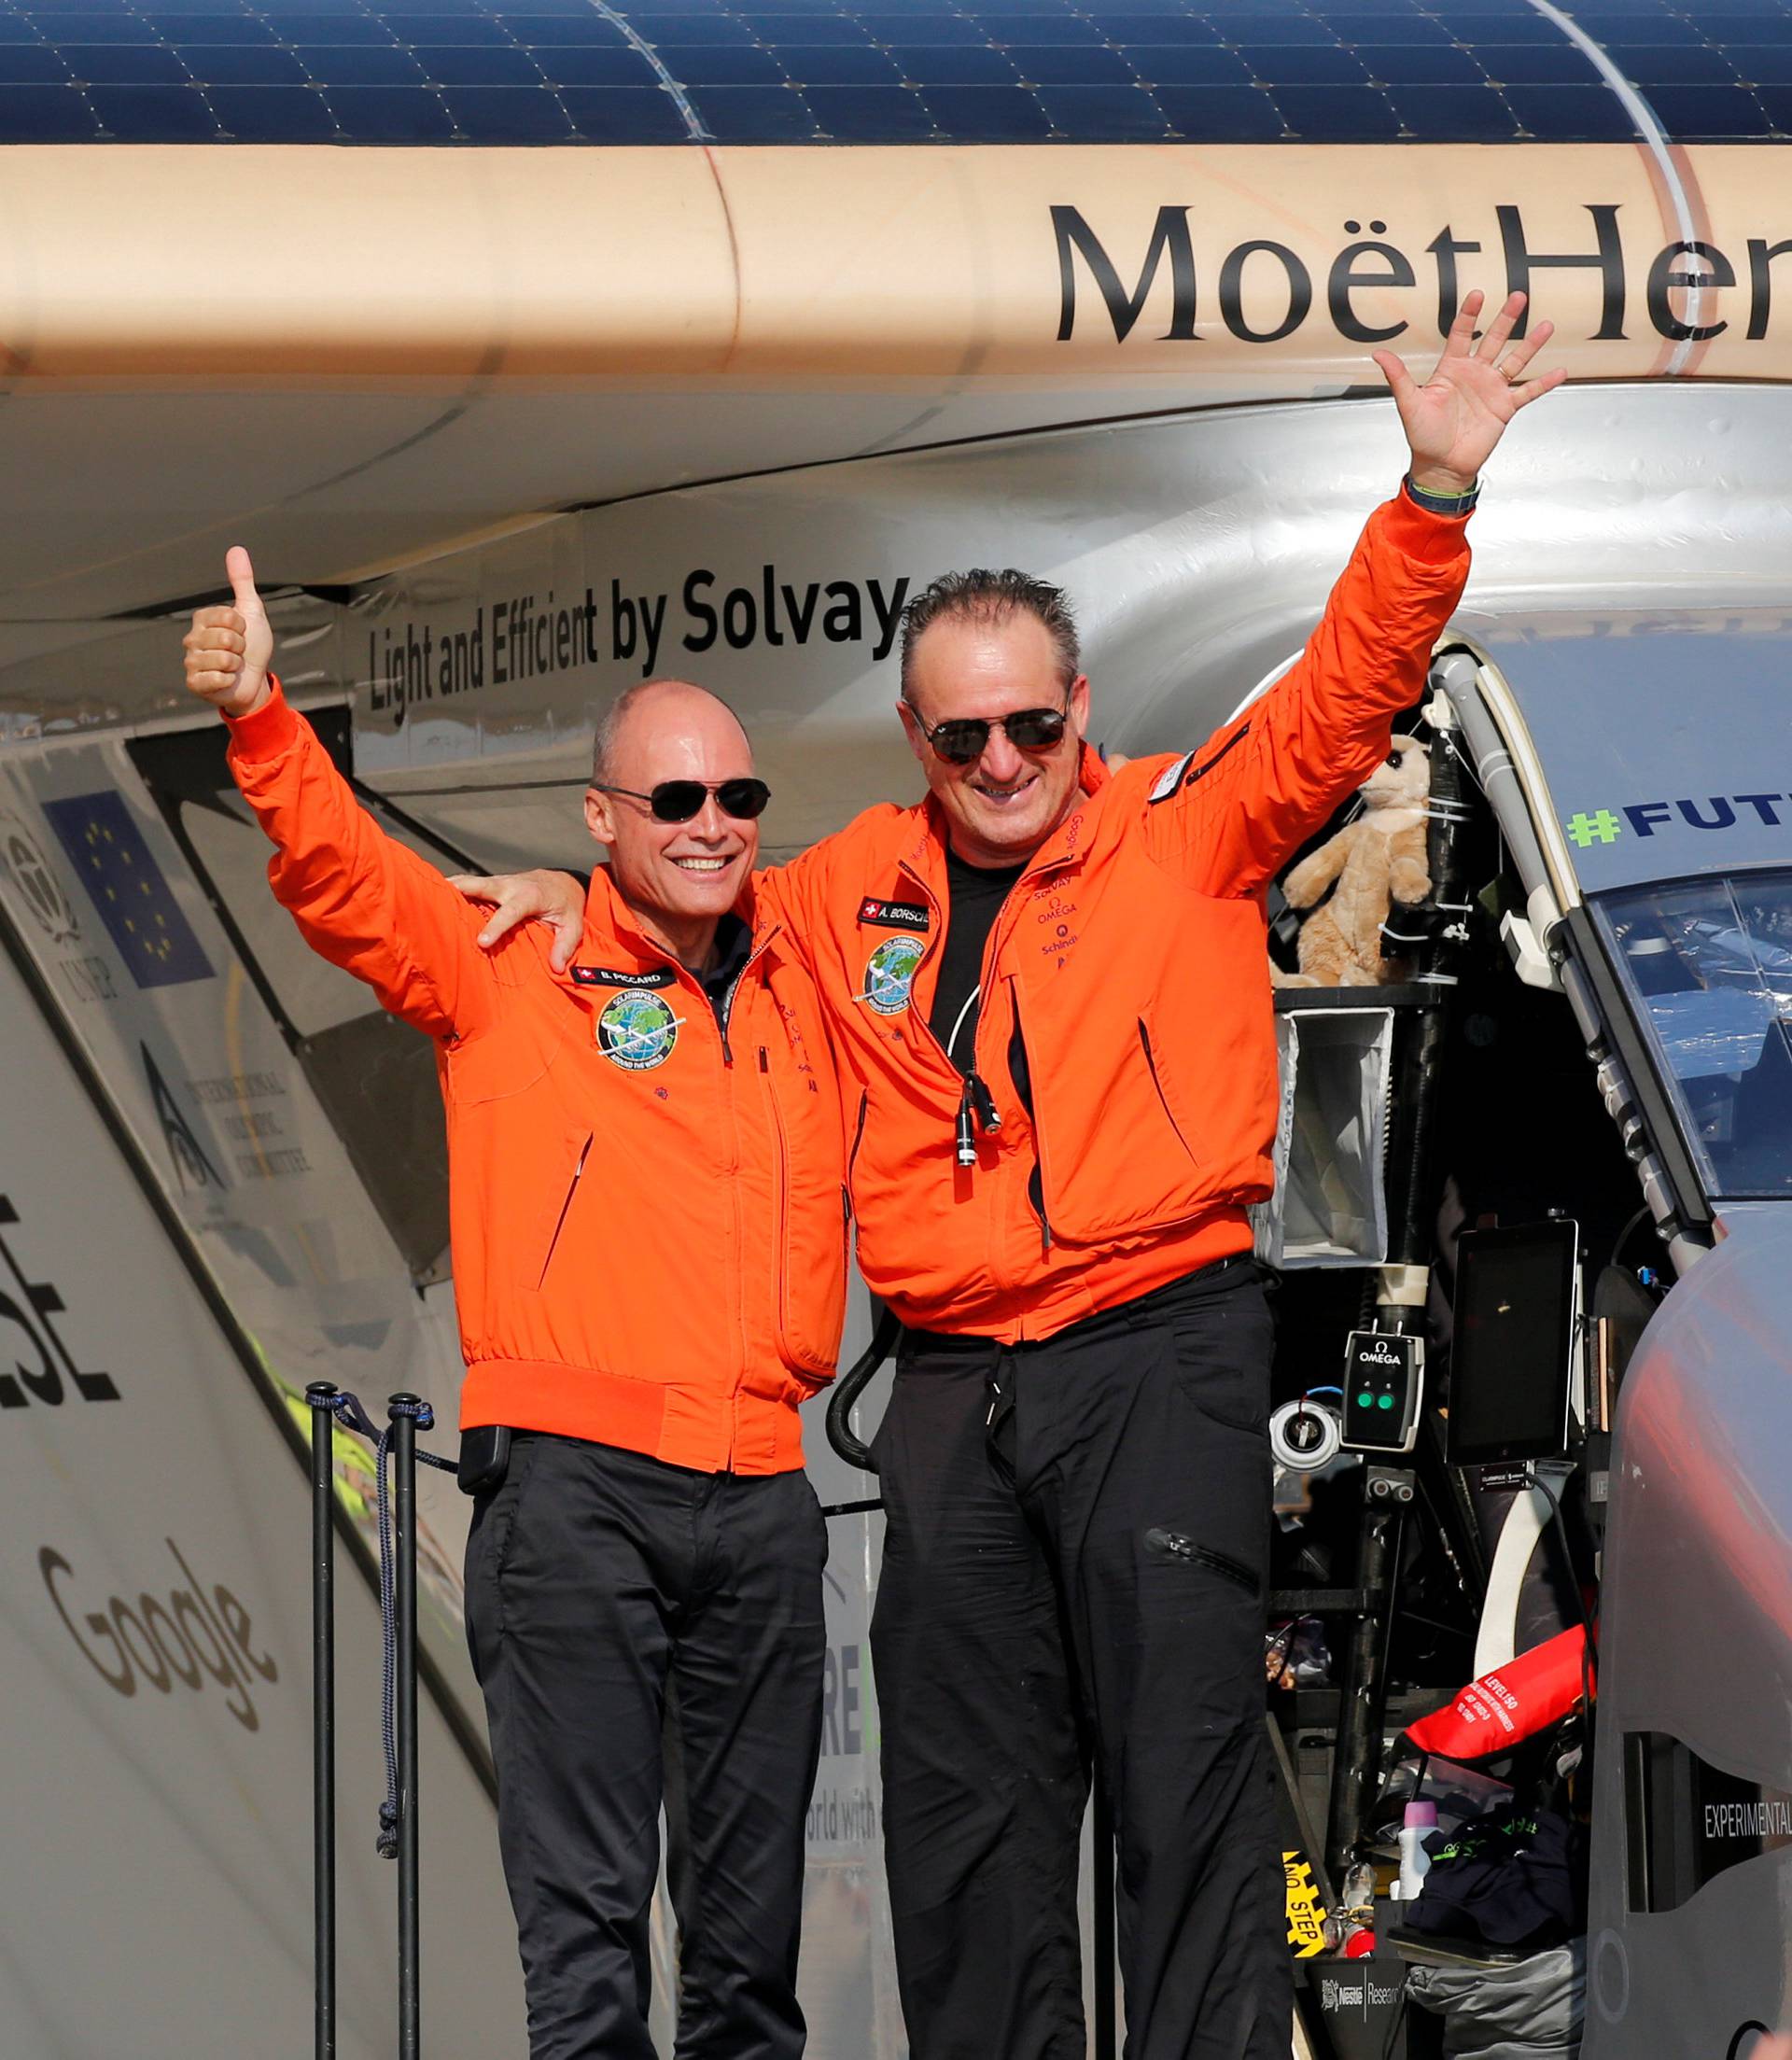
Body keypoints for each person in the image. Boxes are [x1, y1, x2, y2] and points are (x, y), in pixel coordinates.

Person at [456, 290, 1563, 2059]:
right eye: (961, 738)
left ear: (1079, 712)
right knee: (965, 1828)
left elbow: (1349, 691)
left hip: (1155, 1349)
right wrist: (549, 897)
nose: (999, 767)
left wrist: (1429, 492)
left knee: (1185, 1801)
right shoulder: (836, 892)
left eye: (1029, 732)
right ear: (916, 736)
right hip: (955, 1394)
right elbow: (674, 881)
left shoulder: (1185, 828)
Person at [182, 563, 848, 2060]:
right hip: (576, 1496)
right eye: (670, 800)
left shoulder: (804, 976)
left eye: (735, 794)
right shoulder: (511, 961)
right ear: (600, 819)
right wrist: (259, 719)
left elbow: (960, 841)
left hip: (760, 1498)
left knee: (751, 1969)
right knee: (591, 1947)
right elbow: (350, 887)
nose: (710, 824)